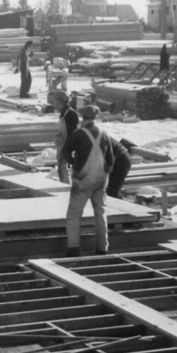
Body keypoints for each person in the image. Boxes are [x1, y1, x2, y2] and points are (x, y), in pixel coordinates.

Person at [62, 105, 114, 257]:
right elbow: (111, 158)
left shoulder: (78, 133)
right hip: (101, 180)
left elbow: (65, 152)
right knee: (101, 213)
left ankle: (74, 248)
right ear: (95, 118)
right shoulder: (104, 134)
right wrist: (104, 173)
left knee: (74, 213)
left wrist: (74, 164)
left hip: (84, 179)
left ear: (82, 118)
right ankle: (102, 248)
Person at [49, 90, 79, 183]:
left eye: (55, 101)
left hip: (66, 146)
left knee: (63, 169)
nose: (54, 104)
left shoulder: (70, 114)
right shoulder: (64, 112)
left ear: (59, 100)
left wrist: (68, 149)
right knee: (61, 170)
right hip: (62, 145)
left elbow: (72, 133)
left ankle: (66, 189)